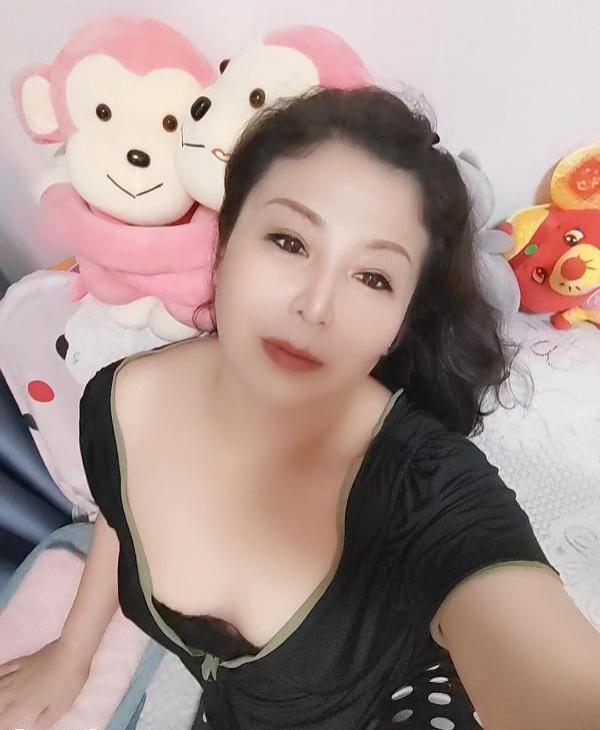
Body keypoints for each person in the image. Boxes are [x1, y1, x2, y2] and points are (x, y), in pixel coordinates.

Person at [1, 86, 599, 730]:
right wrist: (71, 655)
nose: (315, 307)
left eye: (373, 277)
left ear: (399, 322)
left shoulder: (427, 488)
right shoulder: (120, 400)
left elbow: (552, 676)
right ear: (226, 244)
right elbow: (121, 515)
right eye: (289, 241)